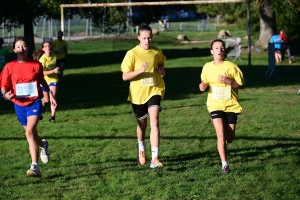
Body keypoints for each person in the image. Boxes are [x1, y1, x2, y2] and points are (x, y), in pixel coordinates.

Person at [0, 36, 57, 177]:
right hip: (19, 105)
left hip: (34, 102)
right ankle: (43, 145)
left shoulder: (36, 65)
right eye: (18, 46)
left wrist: (50, 94)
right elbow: (3, 86)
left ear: (28, 48)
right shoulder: (9, 66)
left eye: (24, 46)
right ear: (14, 49)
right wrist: (5, 95)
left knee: (29, 132)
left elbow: (42, 81)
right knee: (32, 134)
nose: (21, 48)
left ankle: (34, 166)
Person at [121, 23, 166, 169]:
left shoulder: (156, 52)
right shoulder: (132, 54)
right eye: (145, 38)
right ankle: (141, 148)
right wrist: (140, 70)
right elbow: (125, 76)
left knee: (154, 121)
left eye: (150, 38)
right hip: (138, 94)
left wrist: (161, 70)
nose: (148, 41)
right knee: (142, 124)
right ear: (138, 37)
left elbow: (160, 63)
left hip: (154, 90)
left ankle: (154, 158)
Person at [199, 39, 244, 175]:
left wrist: (229, 81)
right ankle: (225, 164)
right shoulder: (207, 66)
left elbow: (241, 84)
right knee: (221, 134)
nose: (220, 49)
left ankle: (224, 144)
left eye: (222, 47)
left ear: (224, 51)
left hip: (230, 105)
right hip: (214, 105)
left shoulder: (231, 67)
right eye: (217, 48)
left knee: (229, 138)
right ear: (212, 51)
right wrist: (202, 86)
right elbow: (204, 82)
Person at [32, 41, 60, 122]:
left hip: (53, 80)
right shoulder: (42, 59)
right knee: (47, 99)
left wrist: (58, 69)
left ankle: (52, 117)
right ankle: (42, 102)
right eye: (46, 46)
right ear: (43, 49)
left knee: (52, 97)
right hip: (44, 81)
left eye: (49, 46)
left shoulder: (54, 56)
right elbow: (42, 73)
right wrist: (53, 71)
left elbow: (56, 65)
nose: (48, 47)